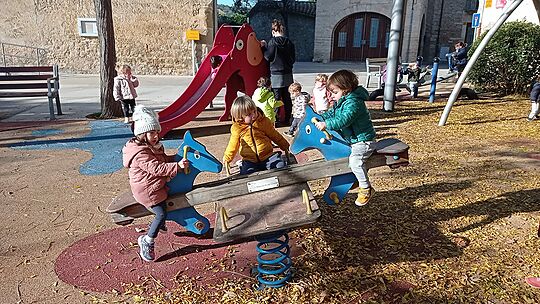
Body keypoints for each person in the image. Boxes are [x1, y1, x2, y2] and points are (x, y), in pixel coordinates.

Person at [122, 105, 189, 262]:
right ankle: (147, 240)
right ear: (141, 134)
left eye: (157, 132)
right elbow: (156, 168)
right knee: (161, 213)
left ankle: (160, 224)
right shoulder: (141, 153)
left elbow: (163, 160)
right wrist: (177, 167)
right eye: (152, 132)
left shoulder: (152, 147)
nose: (156, 136)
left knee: (170, 198)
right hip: (147, 190)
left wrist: (176, 159)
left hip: (154, 184)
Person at [313, 70, 377, 206]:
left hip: (363, 140)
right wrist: (321, 117)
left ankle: (366, 188)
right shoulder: (343, 101)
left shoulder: (354, 103)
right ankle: (353, 180)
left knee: (355, 161)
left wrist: (326, 124)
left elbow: (344, 119)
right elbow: (333, 113)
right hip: (353, 140)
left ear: (346, 89)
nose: (331, 96)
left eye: (335, 92)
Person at [223, 96, 290, 175]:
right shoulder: (237, 128)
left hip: (268, 156)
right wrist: (227, 158)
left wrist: (284, 145)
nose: (254, 115)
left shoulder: (263, 122)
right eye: (249, 114)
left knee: (280, 166)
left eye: (254, 111)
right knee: (246, 174)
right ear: (240, 117)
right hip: (250, 160)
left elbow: (274, 135)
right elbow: (233, 144)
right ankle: (243, 166)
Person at [260, 19, 296, 126]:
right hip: (288, 73)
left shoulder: (272, 42)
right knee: (287, 98)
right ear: (283, 30)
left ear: (273, 31)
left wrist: (264, 47)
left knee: (275, 98)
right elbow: (293, 59)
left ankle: (275, 120)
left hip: (276, 74)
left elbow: (268, 57)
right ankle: (287, 119)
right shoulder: (290, 42)